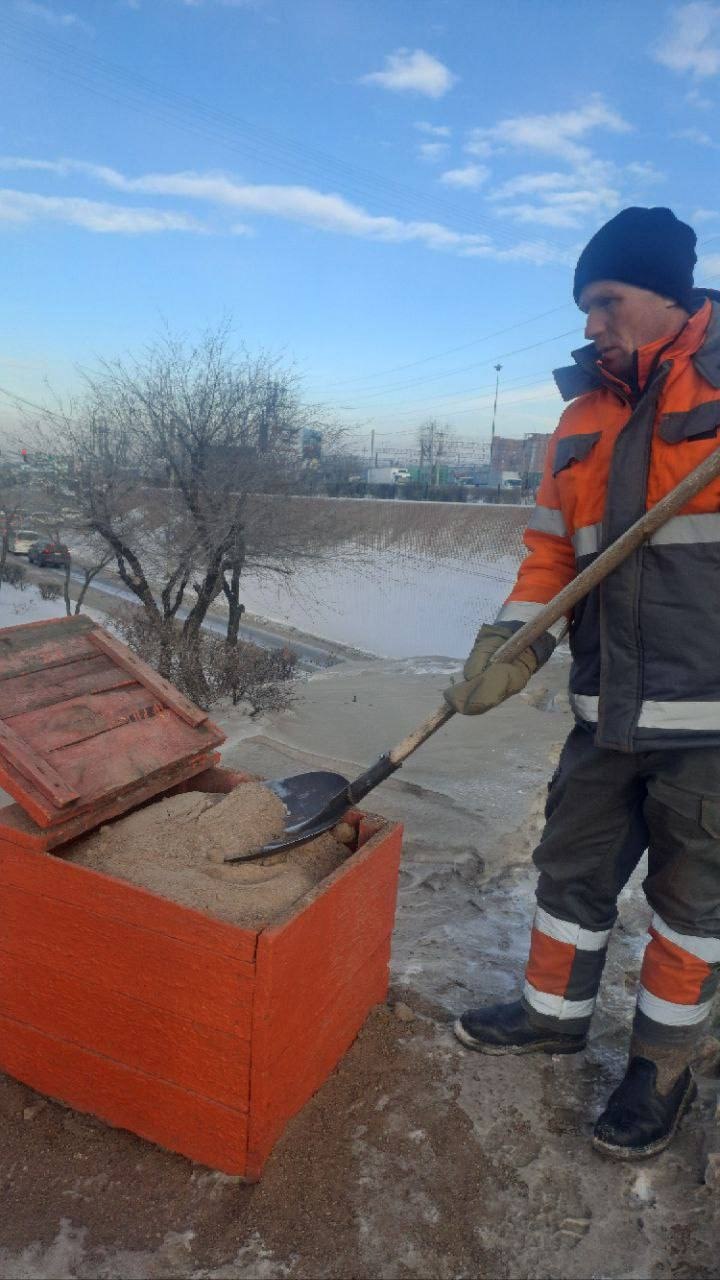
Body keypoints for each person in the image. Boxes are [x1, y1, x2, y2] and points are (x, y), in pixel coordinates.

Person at [445, 207, 720, 1160]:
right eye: (585, 305)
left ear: (665, 295)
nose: (591, 323)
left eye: (605, 301)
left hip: (715, 728)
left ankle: (660, 1069)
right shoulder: (579, 419)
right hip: (607, 713)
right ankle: (553, 1015)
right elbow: (552, 555)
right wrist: (512, 641)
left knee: (695, 908)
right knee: (571, 873)